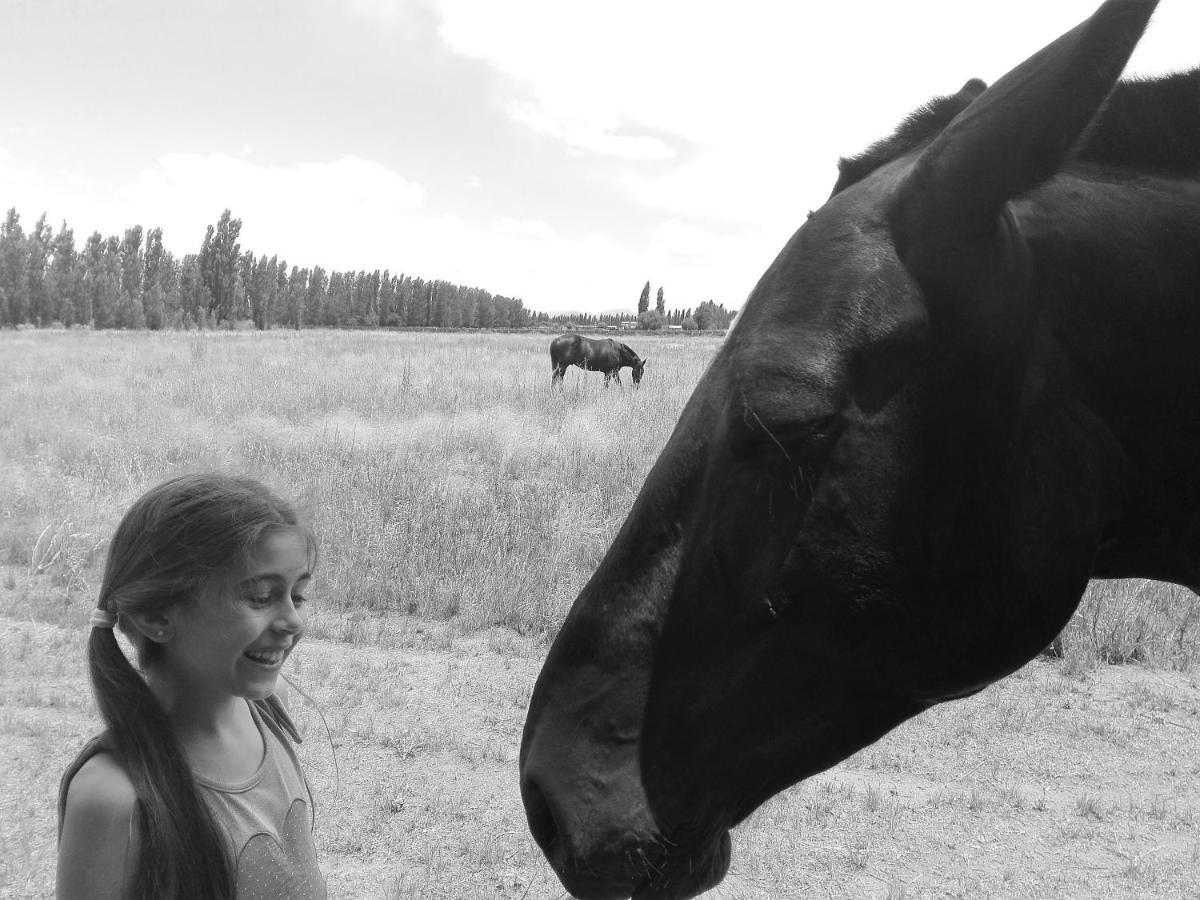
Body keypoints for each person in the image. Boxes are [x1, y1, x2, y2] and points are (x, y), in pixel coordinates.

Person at [56, 473, 326, 900]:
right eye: (259, 596)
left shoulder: (270, 708)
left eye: (299, 595)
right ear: (157, 617)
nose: (293, 621)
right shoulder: (113, 796)